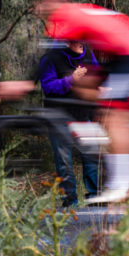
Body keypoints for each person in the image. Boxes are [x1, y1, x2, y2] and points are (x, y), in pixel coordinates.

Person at [29, 0, 129, 204]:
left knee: (117, 116)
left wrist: (26, 84)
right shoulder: (72, 16)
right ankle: (115, 150)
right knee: (93, 99)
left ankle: (126, 184)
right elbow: (55, 60)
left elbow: (45, 56)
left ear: (54, 0)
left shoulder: (67, 16)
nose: (39, 7)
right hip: (121, 53)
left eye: (42, 1)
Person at [38, 40, 101, 207]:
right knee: (64, 162)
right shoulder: (50, 57)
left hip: (83, 115)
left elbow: (97, 75)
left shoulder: (87, 53)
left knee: (91, 158)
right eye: (78, 40)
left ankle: (95, 200)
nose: (82, 43)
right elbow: (48, 87)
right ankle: (70, 202)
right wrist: (71, 80)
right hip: (59, 117)